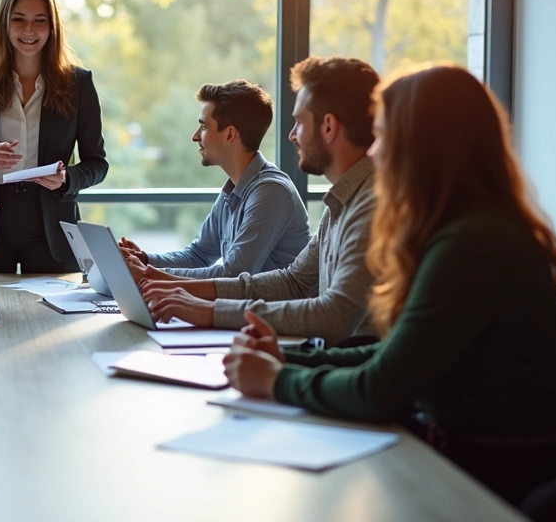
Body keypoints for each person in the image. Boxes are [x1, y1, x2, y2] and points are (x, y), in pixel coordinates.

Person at [223, 64, 556, 506]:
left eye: (384, 137)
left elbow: (379, 390)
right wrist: (289, 356)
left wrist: (278, 380)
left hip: (523, 473)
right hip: (485, 451)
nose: (374, 153)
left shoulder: (472, 243)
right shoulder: (459, 229)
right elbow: (394, 353)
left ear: (423, 147)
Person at [138, 56, 381, 344]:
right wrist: (173, 286)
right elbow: (295, 282)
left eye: (299, 123)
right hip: (326, 362)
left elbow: (333, 316)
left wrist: (209, 310)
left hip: (347, 373)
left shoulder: (373, 204)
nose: (292, 136)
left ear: (328, 127)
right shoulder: (341, 203)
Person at [0, 0, 108, 274]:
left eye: (39, 21)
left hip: (52, 228)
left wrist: (67, 179)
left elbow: (97, 164)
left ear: (52, 27)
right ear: (4, 24)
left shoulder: (78, 84)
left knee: (55, 318)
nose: (29, 30)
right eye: (19, 20)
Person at [117, 80, 309, 279]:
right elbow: (199, 255)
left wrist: (148, 274)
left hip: (268, 310)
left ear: (229, 135)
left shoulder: (271, 192)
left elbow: (233, 274)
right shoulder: (233, 190)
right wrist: (144, 260)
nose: (195, 136)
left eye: (204, 127)